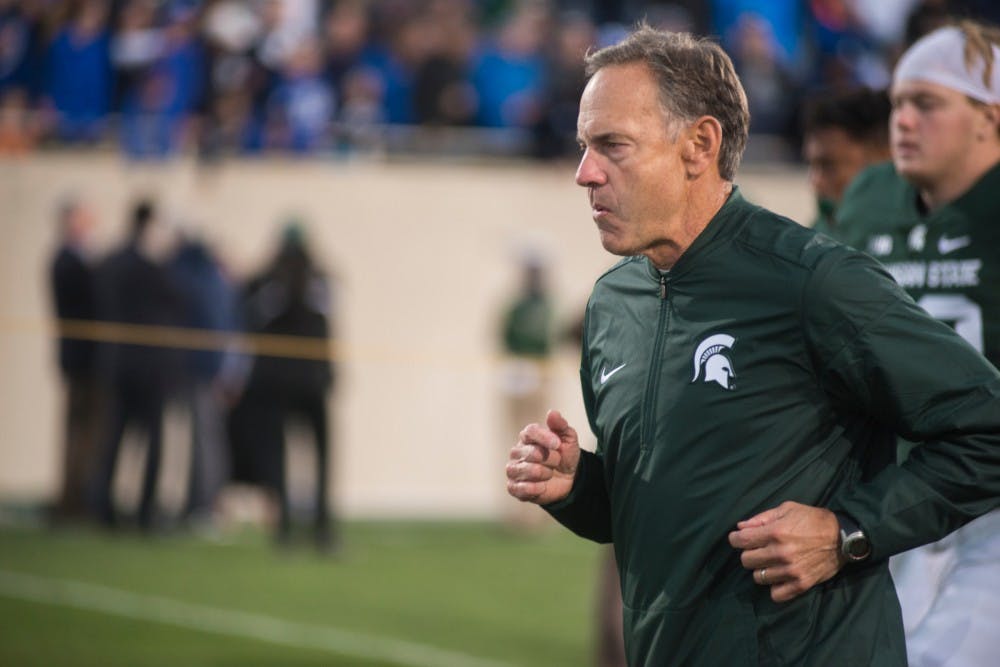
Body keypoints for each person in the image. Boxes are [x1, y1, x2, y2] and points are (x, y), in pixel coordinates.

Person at [504, 25, 1000, 666]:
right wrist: (577, 486)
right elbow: (652, 513)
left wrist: (849, 531)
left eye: (612, 146)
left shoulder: (813, 281)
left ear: (699, 146)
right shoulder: (610, 307)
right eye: (583, 146)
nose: (584, 172)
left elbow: (988, 426)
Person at [834, 21, 1000, 667]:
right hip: (902, 494)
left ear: (989, 115)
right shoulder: (873, 200)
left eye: (926, 103)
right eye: (898, 103)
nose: (902, 120)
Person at [92, 198, 182, 531]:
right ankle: (145, 513)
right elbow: (178, 301)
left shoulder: (111, 262)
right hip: (148, 368)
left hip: (119, 364)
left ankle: (103, 507)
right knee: (149, 442)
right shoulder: (151, 267)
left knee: (114, 439)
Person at [49, 196, 102, 522]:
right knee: (81, 434)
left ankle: (77, 499)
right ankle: (74, 501)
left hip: (83, 359)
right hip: (81, 359)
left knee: (84, 434)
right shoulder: (67, 261)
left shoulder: (76, 260)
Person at [800, 86, 891, 234]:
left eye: (829, 165)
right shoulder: (817, 236)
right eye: (812, 166)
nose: (815, 182)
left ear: (884, 155)